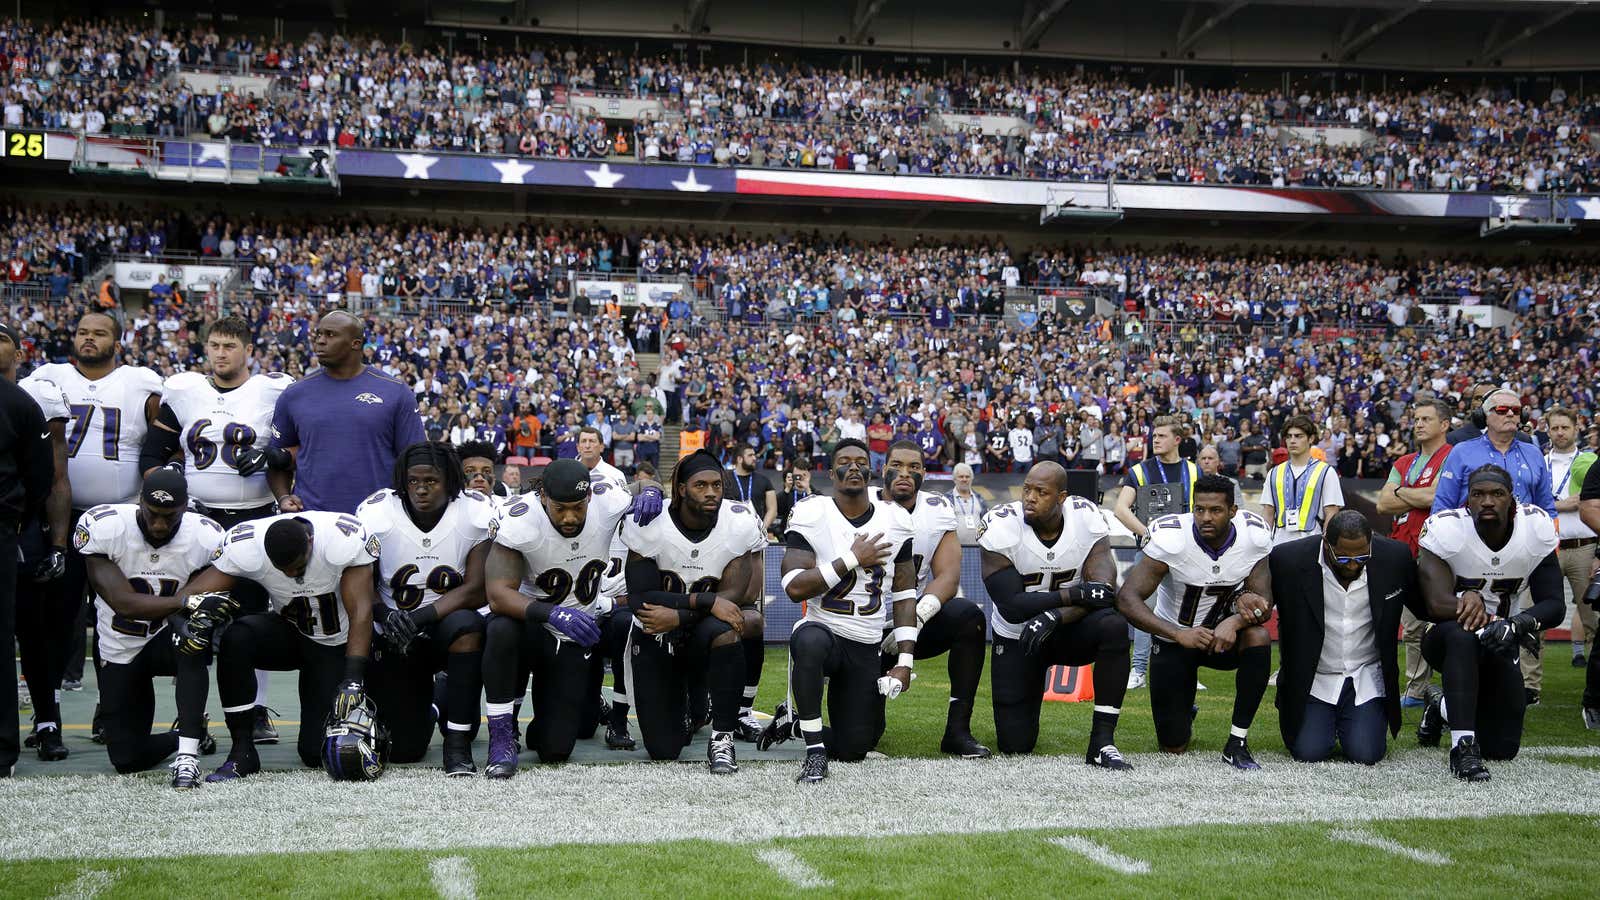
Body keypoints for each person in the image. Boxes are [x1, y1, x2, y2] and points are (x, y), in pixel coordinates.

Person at [139, 316, 294, 744]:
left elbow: (297, 445)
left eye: (229, 345)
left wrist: (272, 458)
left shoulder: (272, 390)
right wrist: (170, 473)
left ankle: (257, 710)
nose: (220, 353)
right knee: (193, 616)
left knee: (252, 617)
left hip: (253, 516)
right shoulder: (185, 391)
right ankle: (193, 716)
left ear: (248, 350)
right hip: (197, 520)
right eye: (214, 345)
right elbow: (152, 452)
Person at [176, 509, 382, 781]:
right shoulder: (248, 546)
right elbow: (189, 595)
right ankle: (242, 750)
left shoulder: (340, 540)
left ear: (310, 542)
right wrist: (183, 624)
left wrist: (352, 678)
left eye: (297, 567)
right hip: (292, 631)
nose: (292, 575)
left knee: (314, 753)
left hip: (336, 644)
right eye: (282, 570)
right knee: (237, 639)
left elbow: (362, 612)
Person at [22, 313, 163, 710]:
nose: (88, 339)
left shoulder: (141, 382)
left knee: (114, 616)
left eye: (99, 334)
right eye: (83, 332)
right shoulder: (48, 376)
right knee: (57, 614)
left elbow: (164, 438)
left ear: (117, 343)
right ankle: (47, 711)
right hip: (61, 517)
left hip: (121, 519)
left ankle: (111, 706)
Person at [762, 439, 917, 783]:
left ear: (871, 470)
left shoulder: (896, 519)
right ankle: (815, 754)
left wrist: (905, 661)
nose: (854, 467)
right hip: (824, 629)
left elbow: (905, 592)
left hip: (865, 642)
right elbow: (793, 587)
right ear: (832, 473)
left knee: (855, 747)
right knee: (809, 642)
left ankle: (794, 726)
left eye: (861, 461)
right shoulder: (813, 512)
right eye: (844, 462)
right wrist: (851, 559)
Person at [480, 459, 639, 777]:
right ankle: (501, 737)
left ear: (590, 498)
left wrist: (649, 491)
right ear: (542, 497)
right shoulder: (521, 519)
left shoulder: (609, 500)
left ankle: (545, 720)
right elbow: (498, 595)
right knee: (500, 628)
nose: (570, 517)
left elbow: (641, 486)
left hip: (573, 636)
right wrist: (551, 612)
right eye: (560, 508)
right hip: (533, 626)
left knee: (555, 749)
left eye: (577, 508)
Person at [76, 469, 226, 787]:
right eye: (152, 514)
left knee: (194, 637)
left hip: (167, 638)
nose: (159, 525)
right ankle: (184, 736)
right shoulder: (106, 526)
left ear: (185, 509)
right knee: (126, 759)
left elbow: (205, 605)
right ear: (139, 502)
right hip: (120, 645)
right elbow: (124, 602)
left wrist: (189, 611)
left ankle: (187, 757)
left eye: (169, 517)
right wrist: (187, 602)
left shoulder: (205, 537)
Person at [1253, 510, 1439, 765]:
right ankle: (1319, 720)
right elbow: (1261, 600)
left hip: (1365, 676)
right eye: (1343, 557)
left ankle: (1366, 717)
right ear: (1325, 544)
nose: (1353, 564)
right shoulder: (1288, 559)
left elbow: (1426, 607)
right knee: (1309, 752)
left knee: (1366, 754)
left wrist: (1468, 601)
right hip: (1313, 677)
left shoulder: (1394, 557)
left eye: (1362, 556)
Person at [980, 461, 1132, 769]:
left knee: (1114, 626)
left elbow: (1102, 592)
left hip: (1070, 628)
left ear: (1061, 497)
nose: (1030, 498)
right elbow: (1012, 605)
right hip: (1018, 634)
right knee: (1015, 745)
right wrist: (1073, 595)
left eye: (1041, 492)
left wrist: (1056, 616)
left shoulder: (1085, 518)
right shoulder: (1001, 525)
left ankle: (1102, 741)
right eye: (1027, 489)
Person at [621, 450, 766, 772]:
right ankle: (695, 703)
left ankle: (722, 738)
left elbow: (732, 596)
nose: (712, 492)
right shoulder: (651, 522)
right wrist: (704, 602)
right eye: (701, 485)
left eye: (717, 484)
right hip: (657, 631)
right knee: (663, 749)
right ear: (682, 488)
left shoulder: (738, 521)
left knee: (731, 628)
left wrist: (683, 613)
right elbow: (640, 597)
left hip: (701, 628)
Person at [1415, 465, 1562, 781]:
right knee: (1462, 636)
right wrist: (1492, 617)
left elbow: (1555, 604)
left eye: (1497, 494)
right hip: (1445, 636)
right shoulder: (1447, 529)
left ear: (1513, 499)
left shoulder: (1535, 528)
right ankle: (1463, 748)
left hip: (1500, 640)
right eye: (1478, 494)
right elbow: (1437, 603)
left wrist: (1517, 625)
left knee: (1502, 747)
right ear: (1467, 500)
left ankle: (1440, 707)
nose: (1487, 501)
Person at [1117, 474, 1274, 769]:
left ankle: (1237, 741)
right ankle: (1183, 707)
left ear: (1233, 512)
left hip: (1221, 639)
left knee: (1258, 636)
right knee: (1172, 746)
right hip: (1173, 640)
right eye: (1199, 509)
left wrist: (1236, 622)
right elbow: (1127, 599)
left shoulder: (1254, 536)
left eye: (1215, 510)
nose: (1205, 517)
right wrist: (1178, 634)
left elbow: (1264, 604)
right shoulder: (1171, 538)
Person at [357, 442, 494, 775]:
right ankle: (433, 703)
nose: (420, 489)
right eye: (413, 481)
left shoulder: (474, 511)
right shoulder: (376, 512)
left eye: (430, 481)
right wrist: (385, 615)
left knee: (468, 625)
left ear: (449, 480)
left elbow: (476, 590)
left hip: (443, 626)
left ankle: (457, 746)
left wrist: (420, 617)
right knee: (405, 750)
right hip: (395, 633)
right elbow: (361, 584)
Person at [868, 442, 991, 757]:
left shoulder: (937, 509)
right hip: (863, 627)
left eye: (914, 467)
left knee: (969, 617)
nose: (905, 473)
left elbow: (948, 576)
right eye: (897, 465)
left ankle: (957, 731)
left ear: (924, 473)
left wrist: (917, 618)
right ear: (884, 469)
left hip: (910, 623)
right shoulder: (862, 503)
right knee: (862, 737)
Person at [270, 310, 426, 515]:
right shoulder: (294, 394)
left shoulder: (395, 391)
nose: (320, 341)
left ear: (356, 343)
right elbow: (277, 458)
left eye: (330, 335)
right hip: (313, 520)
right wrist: (283, 496)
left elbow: (416, 461)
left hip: (378, 519)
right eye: (318, 334)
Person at [0, 323, 72, 763]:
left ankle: (46, 721)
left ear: (18, 350)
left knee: (34, 626)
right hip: (14, 520)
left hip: (19, 525)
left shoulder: (35, 395)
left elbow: (53, 476)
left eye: (2, 337)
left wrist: (54, 538)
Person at [1374, 398, 1453, 709]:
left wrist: (1400, 493)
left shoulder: (1452, 456)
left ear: (1444, 424)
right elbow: (1382, 504)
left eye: (1426, 419)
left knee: (1440, 622)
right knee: (1411, 625)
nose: (1418, 424)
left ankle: (1448, 685)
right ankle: (1417, 689)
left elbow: (1437, 496)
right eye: (1416, 418)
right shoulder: (1403, 462)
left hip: (1437, 549)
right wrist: (1414, 497)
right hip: (1402, 550)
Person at [1113, 415, 1199, 689]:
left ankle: (1187, 668)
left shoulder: (1194, 471)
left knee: (1187, 612)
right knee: (1143, 609)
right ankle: (1138, 670)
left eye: (1162, 436)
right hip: (1151, 552)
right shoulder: (1139, 471)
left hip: (1186, 552)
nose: (1156, 440)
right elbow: (1121, 509)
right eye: (1155, 435)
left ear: (1177, 439)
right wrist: (1147, 533)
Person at [1537, 408, 1596, 680]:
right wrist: (1563, 504)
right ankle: (1529, 688)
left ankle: (1594, 689)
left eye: (1565, 427)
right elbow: (1528, 503)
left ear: (1576, 428)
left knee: (1593, 620)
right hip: (1545, 549)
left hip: (1583, 547)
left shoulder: (1589, 461)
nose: (1560, 432)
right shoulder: (1538, 462)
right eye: (1555, 428)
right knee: (1533, 619)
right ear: (1547, 430)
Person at [1431, 389, 1554, 518]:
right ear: (1484, 416)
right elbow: (1442, 506)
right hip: (1471, 534)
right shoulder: (1461, 452)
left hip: (1525, 535)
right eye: (1502, 410)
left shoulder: (1534, 453)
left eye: (1516, 410)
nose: (1510, 413)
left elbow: (1547, 508)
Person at [1261, 416, 1343, 546]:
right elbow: (1268, 513)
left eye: (1299, 436)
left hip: (1312, 542)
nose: (1292, 441)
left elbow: (1331, 512)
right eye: (1289, 436)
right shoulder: (1274, 473)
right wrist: (1263, 545)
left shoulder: (1326, 471)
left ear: (1310, 439)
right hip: (1279, 542)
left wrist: (1325, 545)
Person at [724, 444, 777, 538]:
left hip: (756, 534)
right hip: (730, 534)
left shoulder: (764, 480)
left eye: (754, 455)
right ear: (739, 459)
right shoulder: (724, 479)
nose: (754, 458)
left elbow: (772, 509)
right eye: (750, 455)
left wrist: (762, 530)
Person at [948, 462, 987, 545]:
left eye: (967, 477)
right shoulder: (946, 499)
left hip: (978, 548)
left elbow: (986, 523)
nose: (964, 479)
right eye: (961, 477)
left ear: (971, 479)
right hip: (954, 549)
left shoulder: (980, 498)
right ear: (954, 479)